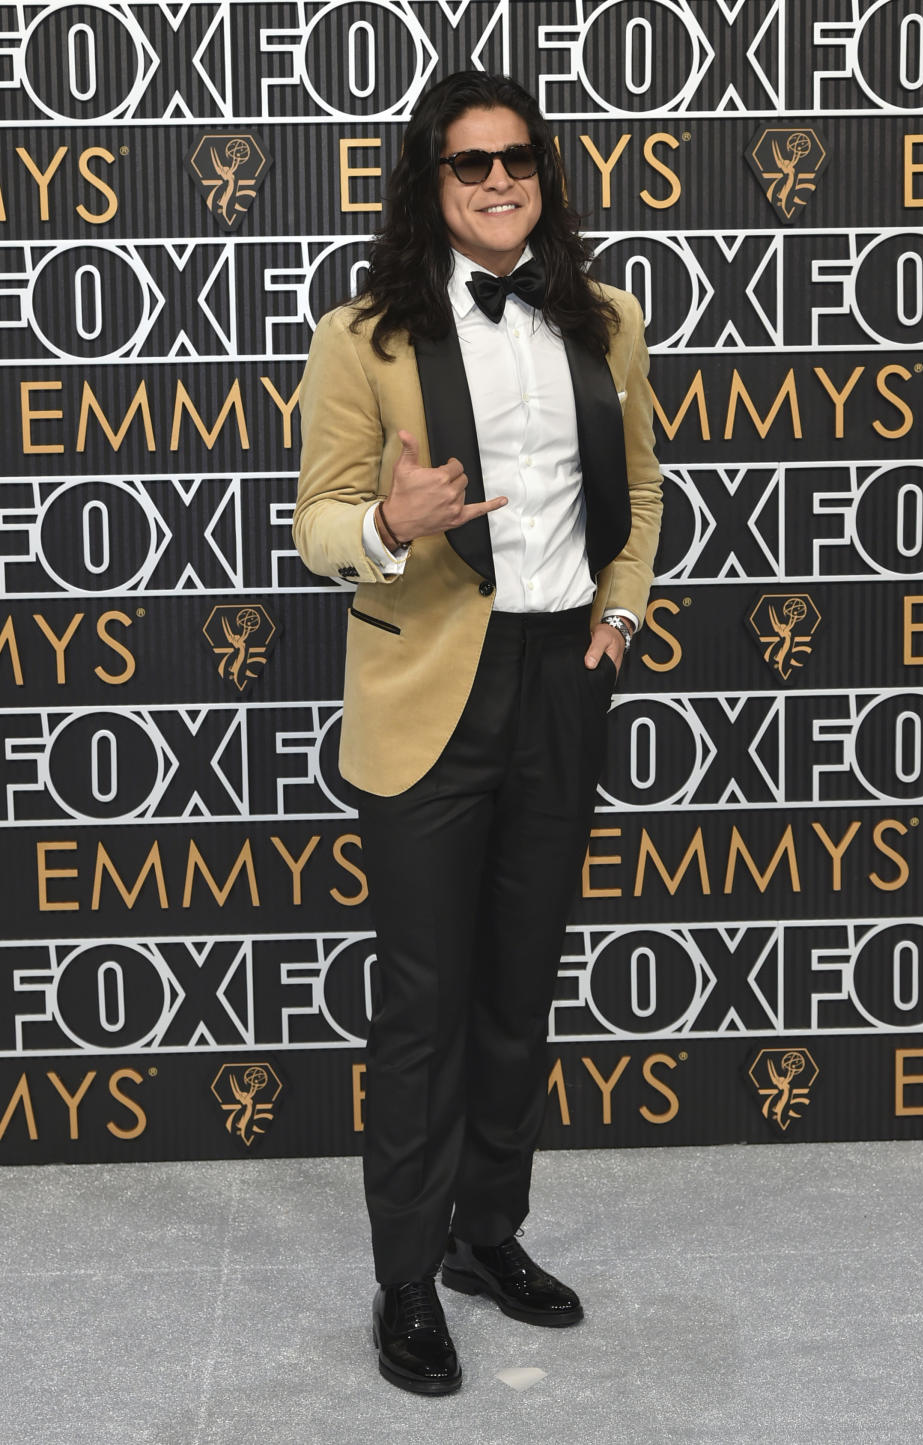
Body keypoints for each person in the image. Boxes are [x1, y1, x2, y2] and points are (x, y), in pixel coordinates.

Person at [294, 70, 662, 1396]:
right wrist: (395, 525)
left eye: (518, 159)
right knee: (425, 1006)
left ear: (541, 173)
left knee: (518, 989)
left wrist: (619, 618)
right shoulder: (366, 334)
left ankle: (485, 1235)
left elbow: (642, 482)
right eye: (470, 164)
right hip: (429, 690)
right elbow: (320, 520)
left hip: (564, 678)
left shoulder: (606, 317)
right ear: (430, 181)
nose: (499, 180)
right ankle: (404, 1278)